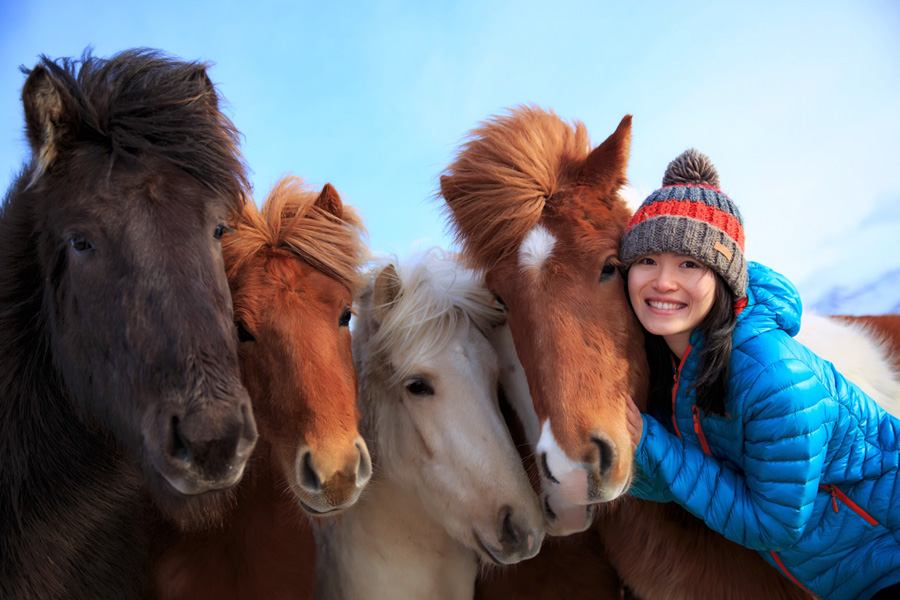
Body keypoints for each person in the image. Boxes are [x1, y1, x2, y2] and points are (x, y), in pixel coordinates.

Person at [620, 149, 900, 600]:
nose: (664, 281)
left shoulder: (772, 374)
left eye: (689, 264)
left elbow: (774, 526)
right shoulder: (682, 365)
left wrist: (649, 442)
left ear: (724, 276)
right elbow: (682, 479)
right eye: (647, 260)